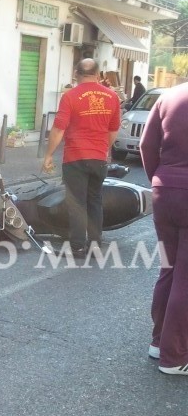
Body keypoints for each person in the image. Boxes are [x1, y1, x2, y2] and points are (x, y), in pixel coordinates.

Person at [41, 58, 121, 258]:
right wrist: (103, 149)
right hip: (99, 158)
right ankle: (95, 246)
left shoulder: (70, 96)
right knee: (95, 200)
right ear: (98, 74)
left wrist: (49, 155)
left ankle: (77, 246)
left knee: (77, 203)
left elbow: (59, 128)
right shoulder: (112, 97)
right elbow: (113, 129)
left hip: (75, 157)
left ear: (76, 74)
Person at [140, 84, 188, 376]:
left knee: (168, 268)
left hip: (164, 189)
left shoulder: (168, 96)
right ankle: (175, 356)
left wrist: (158, 178)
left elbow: (147, 145)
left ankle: (158, 342)